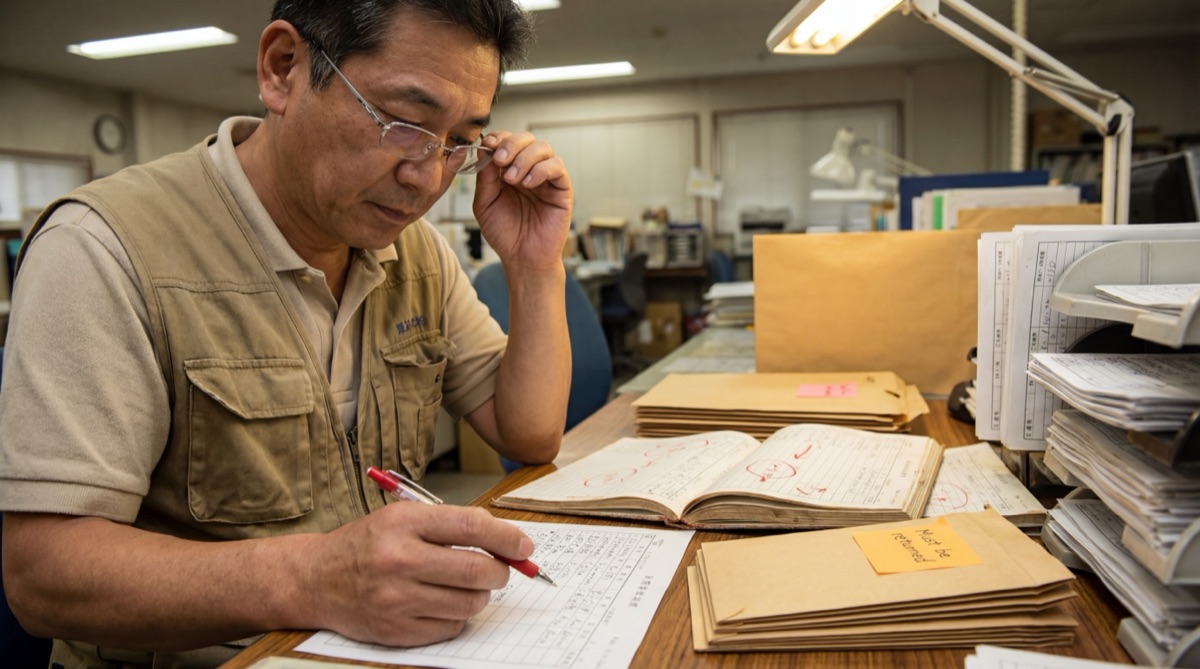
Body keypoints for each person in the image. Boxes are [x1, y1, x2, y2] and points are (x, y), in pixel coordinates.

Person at [0, 0, 573, 666]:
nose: (427, 179)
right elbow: (43, 574)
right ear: (282, 69)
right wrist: (316, 578)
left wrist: (535, 266)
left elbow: (526, 430)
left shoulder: (415, 254)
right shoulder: (104, 249)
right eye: (404, 124)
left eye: (458, 143)